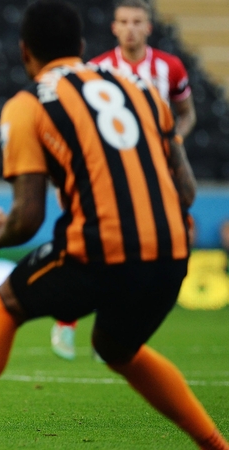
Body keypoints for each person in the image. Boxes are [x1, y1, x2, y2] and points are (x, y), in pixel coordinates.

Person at [0, 2, 229, 449]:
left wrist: (1, 235)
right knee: (117, 350)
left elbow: (28, 217)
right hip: (171, 252)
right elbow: (185, 191)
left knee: (5, 305)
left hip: (101, 247)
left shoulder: (26, 105)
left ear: (24, 53)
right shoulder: (143, 90)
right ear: (83, 46)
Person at [51, 0, 198, 361]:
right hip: (111, 175)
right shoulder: (96, 69)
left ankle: (116, 331)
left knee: (148, 249)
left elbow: (187, 113)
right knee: (94, 242)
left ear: (148, 27)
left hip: (156, 175)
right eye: (123, 21)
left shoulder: (171, 68)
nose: (130, 28)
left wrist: (172, 141)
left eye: (137, 21)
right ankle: (66, 320)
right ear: (114, 28)